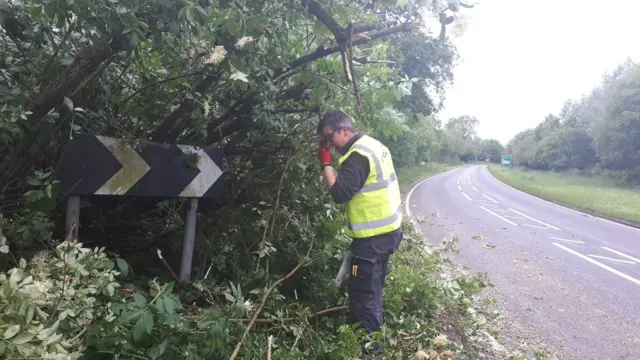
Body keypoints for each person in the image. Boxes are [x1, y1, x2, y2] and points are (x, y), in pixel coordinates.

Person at [317, 109, 403, 355]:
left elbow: (339, 194)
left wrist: (325, 164)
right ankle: (362, 337)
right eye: (326, 142)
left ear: (344, 130)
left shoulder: (357, 156)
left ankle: (371, 350)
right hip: (387, 232)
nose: (329, 144)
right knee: (370, 288)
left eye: (329, 137)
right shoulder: (373, 145)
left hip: (373, 239)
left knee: (364, 294)